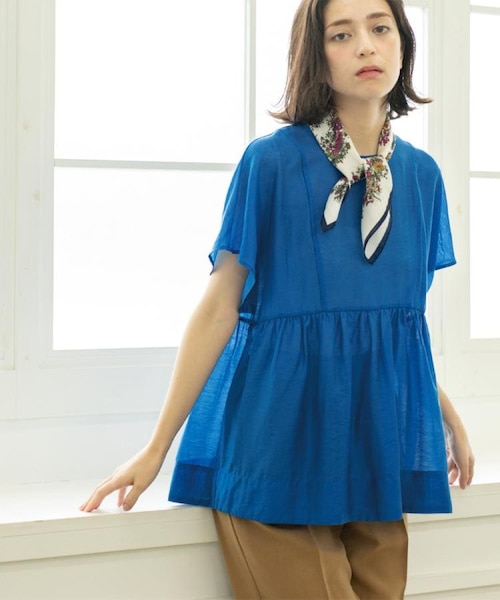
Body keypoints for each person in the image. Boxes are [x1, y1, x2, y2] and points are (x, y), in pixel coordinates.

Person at [81, 0, 475, 597]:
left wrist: (447, 415)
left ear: (403, 42)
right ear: (315, 55)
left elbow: (393, 326)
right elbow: (219, 309)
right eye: (341, 34)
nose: (366, 45)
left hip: (376, 454)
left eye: (380, 27)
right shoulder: (270, 163)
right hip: (277, 454)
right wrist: (156, 446)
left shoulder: (422, 177)